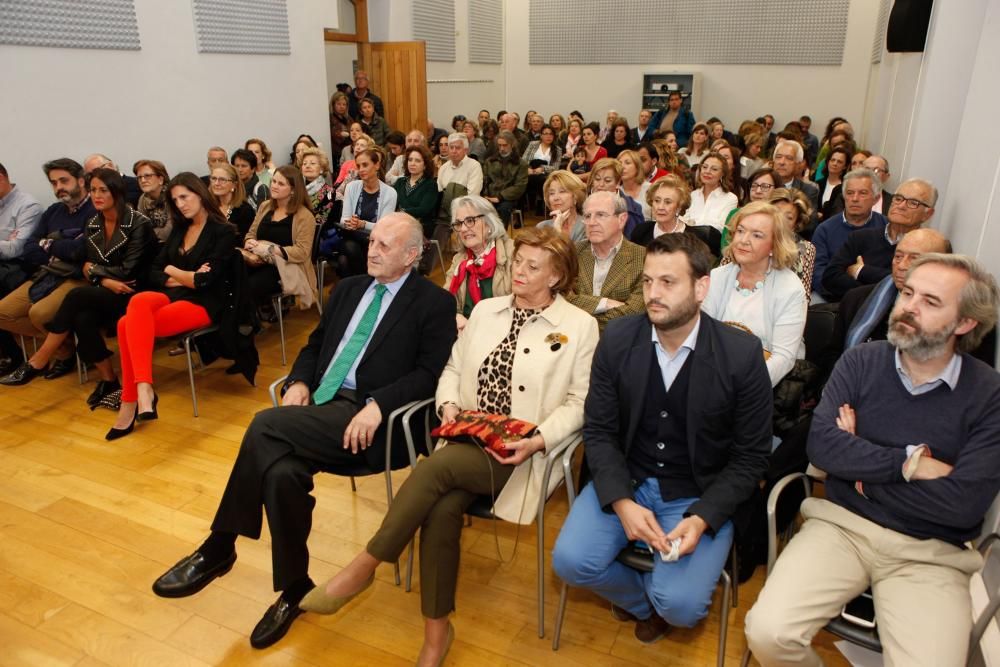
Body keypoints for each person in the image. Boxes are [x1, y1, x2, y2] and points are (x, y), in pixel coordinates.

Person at [152, 213, 457, 650]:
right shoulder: (349, 289)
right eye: (373, 241)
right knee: (280, 475)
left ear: (412, 256)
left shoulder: (434, 302)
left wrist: (378, 405)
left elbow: (430, 373)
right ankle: (295, 588)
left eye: (386, 246)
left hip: (374, 425)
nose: (372, 249)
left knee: (264, 424)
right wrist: (298, 380)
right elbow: (315, 346)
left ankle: (220, 547)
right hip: (323, 410)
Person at [299, 225, 599, 665]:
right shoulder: (486, 311)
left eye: (533, 267)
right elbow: (453, 369)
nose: (518, 271)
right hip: (466, 433)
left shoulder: (580, 326)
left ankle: (364, 565)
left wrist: (537, 440)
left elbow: (581, 402)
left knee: (432, 471)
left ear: (556, 277)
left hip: (520, 450)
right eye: (518, 261)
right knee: (440, 508)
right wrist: (448, 405)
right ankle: (437, 634)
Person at [745, 253, 1000, 667]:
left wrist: (861, 472)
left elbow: (963, 504)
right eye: (908, 293)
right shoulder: (862, 361)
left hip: (930, 551)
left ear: (966, 323)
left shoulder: (989, 395)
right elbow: (823, 449)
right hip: (841, 527)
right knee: (769, 633)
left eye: (931, 302)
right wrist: (910, 464)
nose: (908, 307)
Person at [553, 232, 772, 644]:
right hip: (628, 480)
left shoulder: (741, 355)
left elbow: (751, 457)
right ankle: (643, 602)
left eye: (668, 282)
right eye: (648, 281)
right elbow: (599, 430)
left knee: (683, 608)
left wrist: (703, 516)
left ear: (701, 287)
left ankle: (663, 604)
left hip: (696, 494)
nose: (653, 293)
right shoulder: (617, 339)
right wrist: (621, 502)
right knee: (570, 563)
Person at [0, 169, 156, 401]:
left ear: (117, 192)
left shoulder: (137, 223)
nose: (96, 195)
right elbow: (87, 263)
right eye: (93, 190)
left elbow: (127, 271)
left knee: (75, 297)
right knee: (82, 318)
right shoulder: (94, 223)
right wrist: (102, 278)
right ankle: (109, 381)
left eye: (103, 190)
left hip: (133, 291)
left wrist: (96, 273)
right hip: (103, 289)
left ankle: (39, 359)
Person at [106, 173, 241, 440]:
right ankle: (144, 387)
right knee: (138, 300)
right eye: (175, 199)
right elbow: (153, 271)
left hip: (204, 303)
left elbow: (204, 282)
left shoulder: (222, 231)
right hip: (174, 293)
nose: (180, 204)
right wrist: (182, 274)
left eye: (184, 197)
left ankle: (131, 400)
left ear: (200, 195)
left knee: (125, 325)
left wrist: (173, 270)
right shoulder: (180, 229)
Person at [0, 158, 94, 377]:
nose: (59, 187)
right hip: (47, 273)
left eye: (64, 181)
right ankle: (68, 348)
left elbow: (79, 251)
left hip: (76, 276)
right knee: (3, 313)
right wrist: (55, 248)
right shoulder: (53, 211)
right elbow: (30, 248)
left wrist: (48, 244)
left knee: (39, 314)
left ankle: (62, 354)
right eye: (54, 183)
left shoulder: (94, 209)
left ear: (81, 181)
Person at [701, 201, 807, 386]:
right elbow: (701, 336)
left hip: (763, 380)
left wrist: (743, 390)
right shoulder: (717, 276)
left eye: (757, 235)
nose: (743, 240)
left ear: (774, 246)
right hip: (714, 375)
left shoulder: (791, 289)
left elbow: (783, 358)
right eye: (740, 231)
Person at [819, 228, 951, 375]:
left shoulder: (949, 316)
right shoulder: (857, 299)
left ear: (941, 266)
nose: (901, 266)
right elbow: (832, 355)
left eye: (914, 259)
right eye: (898, 257)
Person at [822, 178, 937, 301]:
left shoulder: (929, 248)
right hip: (852, 311)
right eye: (898, 199)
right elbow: (830, 277)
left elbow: (913, 287)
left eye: (913, 203)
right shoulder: (860, 237)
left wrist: (861, 271)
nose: (901, 206)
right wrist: (881, 287)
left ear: (928, 214)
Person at [567, 191, 646, 330]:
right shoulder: (572, 252)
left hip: (619, 343)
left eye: (601, 215)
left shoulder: (643, 258)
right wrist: (606, 303)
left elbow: (634, 314)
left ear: (622, 219)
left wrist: (581, 309)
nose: (592, 223)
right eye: (587, 216)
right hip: (572, 339)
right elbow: (560, 298)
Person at [241, 166, 317, 310]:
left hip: (286, 266)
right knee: (233, 276)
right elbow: (251, 233)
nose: (274, 186)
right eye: (274, 181)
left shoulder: (304, 216)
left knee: (251, 285)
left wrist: (271, 249)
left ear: (293, 190)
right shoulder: (265, 207)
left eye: (281, 184)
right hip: (259, 260)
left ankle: (249, 324)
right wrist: (248, 241)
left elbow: (302, 252)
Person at [810, 168, 885, 298]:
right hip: (831, 296)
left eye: (862, 193)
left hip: (874, 296)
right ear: (844, 197)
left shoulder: (885, 228)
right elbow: (817, 272)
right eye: (850, 193)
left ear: (876, 198)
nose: (855, 199)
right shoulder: (825, 229)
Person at [444, 195, 514, 332]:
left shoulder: (513, 253)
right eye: (458, 223)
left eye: (470, 221)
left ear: (489, 223)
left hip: (505, 332)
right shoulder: (459, 259)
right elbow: (445, 301)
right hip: (468, 333)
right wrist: (456, 316)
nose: (463, 229)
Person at [339, 148, 397, 277]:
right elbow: (344, 220)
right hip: (353, 237)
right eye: (358, 166)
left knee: (345, 261)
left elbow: (384, 228)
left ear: (376, 165)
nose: (361, 169)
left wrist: (363, 224)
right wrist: (351, 223)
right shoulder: (352, 187)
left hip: (377, 241)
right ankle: (365, 284)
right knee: (349, 248)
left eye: (365, 165)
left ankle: (356, 288)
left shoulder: (390, 193)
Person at [0, 162, 43, 325]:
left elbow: (14, 249)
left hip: (19, 267)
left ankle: (12, 349)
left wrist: (7, 243)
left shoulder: (28, 206)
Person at [434, 133, 483, 253]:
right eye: (451, 147)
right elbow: (440, 193)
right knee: (434, 237)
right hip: (445, 214)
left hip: (467, 213)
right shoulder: (443, 168)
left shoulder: (474, 166)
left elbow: (473, 196)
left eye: (458, 148)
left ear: (465, 150)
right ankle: (425, 269)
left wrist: (458, 216)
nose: (454, 151)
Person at [768, 188, 818, 298]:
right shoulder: (748, 235)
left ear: (796, 224)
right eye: (775, 212)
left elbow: (804, 297)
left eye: (789, 218)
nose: (780, 220)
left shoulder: (806, 248)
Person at [587, 157, 645, 239]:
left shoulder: (633, 209)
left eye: (607, 181)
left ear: (618, 183)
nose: (601, 185)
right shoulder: (582, 203)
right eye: (597, 179)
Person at [481, 131, 528, 225]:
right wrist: (485, 196)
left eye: (505, 145)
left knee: (503, 209)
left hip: (509, 198)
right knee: (480, 207)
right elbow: (485, 180)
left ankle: (501, 236)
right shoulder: (490, 161)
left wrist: (500, 197)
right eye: (499, 145)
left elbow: (520, 186)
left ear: (512, 144)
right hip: (490, 195)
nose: (501, 148)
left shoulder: (521, 163)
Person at [686, 152, 738, 231]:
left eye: (714, 169)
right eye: (705, 167)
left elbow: (721, 228)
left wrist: (693, 223)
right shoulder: (693, 195)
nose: (707, 171)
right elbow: (685, 221)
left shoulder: (730, 198)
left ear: (722, 174)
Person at [772, 140, 820, 219]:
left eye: (789, 158)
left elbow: (810, 224)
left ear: (798, 163)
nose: (782, 162)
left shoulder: (808, 191)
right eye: (778, 157)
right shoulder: (762, 185)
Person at [522, 124, 562, 215]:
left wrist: (542, 168)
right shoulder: (533, 144)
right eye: (545, 134)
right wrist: (528, 169)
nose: (548, 136)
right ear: (541, 135)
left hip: (545, 176)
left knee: (542, 180)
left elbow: (556, 167)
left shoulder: (557, 149)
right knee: (521, 182)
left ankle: (543, 203)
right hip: (530, 173)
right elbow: (523, 160)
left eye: (551, 134)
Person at [208, 163, 255, 239]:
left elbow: (245, 241)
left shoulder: (245, 211)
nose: (216, 183)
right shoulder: (206, 206)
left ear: (234, 185)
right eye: (213, 178)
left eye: (222, 180)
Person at [538, 170, 587, 242]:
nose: (556, 198)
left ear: (575, 196)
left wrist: (557, 232)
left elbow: (572, 253)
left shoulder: (586, 226)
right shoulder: (542, 227)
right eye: (551, 193)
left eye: (562, 191)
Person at [133, 159, 173, 243]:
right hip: (153, 245)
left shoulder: (172, 195)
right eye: (139, 177)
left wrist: (146, 234)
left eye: (147, 176)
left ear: (160, 180)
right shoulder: (143, 199)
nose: (143, 180)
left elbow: (168, 232)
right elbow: (140, 229)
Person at [299, 147, 336, 231]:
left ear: (321, 169)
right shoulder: (295, 188)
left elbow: (322, 219)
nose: (307, 166)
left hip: (314, 233)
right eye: (304, 164)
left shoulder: (329, 192)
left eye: (312, 163)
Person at [813, 145, 850, 219]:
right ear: (828, 162)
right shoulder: (818, 183)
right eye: (832, 160)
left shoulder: (846, 187)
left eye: (839, 162)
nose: (835, 164)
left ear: (845, 166)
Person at [619, 149, 650, 221]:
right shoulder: (616, 192)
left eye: (627, 163)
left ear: (637, 167)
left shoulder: (650, 189)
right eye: (619, 163)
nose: (622, 167)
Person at [328, 91, 354, 170]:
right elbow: (331, 133)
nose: (341, 107)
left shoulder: (349, 119)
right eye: (338, 104)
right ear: (333, 105)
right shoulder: (329, 118)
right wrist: (341, 134)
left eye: (344, 104)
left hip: (349, 152)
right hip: (336, 153)